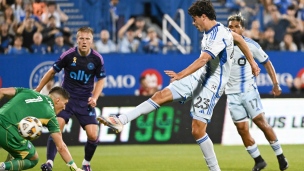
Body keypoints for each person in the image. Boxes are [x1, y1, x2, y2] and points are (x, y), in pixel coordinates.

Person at [97, 1, 260, 170]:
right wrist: (253, 62)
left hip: (212, 84)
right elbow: (239, 38)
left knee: (197, 131)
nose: (193, 22)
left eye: (194, 18)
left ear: (203, 17)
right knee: (159, 96)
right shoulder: (217, 30)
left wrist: (181, 74)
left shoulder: (218, 35)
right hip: (199, 76)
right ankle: (121, 120)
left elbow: (204, 59)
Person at [35, 26, 106, 171]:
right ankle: (49, 162)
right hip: (66, 99)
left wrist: (95, 97)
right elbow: (51, 72)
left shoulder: (97, 58)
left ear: (92, 40)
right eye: (81, 38)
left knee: (93, 135)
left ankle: (86, 164)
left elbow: (101, 79)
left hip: (85, 100)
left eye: (87, 39)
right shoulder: (68, 55)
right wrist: (38, 89)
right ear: (77, 40)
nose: (84, 41)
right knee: (57, 129)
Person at [226, 13, 289, 171]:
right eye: (230, 27)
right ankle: (259, 160)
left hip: (248, 91)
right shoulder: (222, 46)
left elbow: (267, 63)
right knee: (242, 129)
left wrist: (276, 84)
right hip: (231, 94)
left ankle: (281, 156)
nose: (233, 29)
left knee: (261, 123)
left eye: (236, 26)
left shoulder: (251, 45)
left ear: (243, 29)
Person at [0, 86, 83, 171]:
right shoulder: (50, 116)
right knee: (33, 159)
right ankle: (2, 167)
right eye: (65, 103)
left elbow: (2, 91)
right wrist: (75, 168)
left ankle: (6, 165)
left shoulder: (29, 92)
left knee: (18, 152)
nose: (64, 107)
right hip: (9, 134)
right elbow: (61, 147)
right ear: (57, 100)